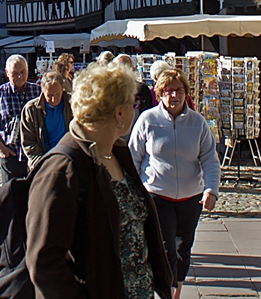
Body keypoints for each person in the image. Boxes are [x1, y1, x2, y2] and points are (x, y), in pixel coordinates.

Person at [26, 61, 173, 298]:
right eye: (132, 104)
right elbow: (44, 262)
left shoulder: (117, 152)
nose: (136, 110)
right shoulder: (63, 167)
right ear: (119, 113)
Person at [129, 69, 220, 299]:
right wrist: (136, 191)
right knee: (166, 248)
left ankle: (175, 290)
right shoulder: (148, 120)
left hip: (191, 198)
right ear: (160, 94)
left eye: (178, 90)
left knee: (183, 248)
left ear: (185, 93)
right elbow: (133, 157)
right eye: (168, 91)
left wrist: (211, 190)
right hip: (158, 196)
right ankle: (166, 294)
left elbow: (209, 159)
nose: (173, 96)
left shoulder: (197, 123)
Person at [0, 54, 41, 182]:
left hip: (35, 155)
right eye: (15, 73)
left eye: (22, 72)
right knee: (11, 198)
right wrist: (0, 147)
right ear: (7, 73)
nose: (19, 76)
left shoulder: (38, 92)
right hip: (10, 155)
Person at [19, 70, 72, 170]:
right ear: (42, 91)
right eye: (50, 95)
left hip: (69, 160)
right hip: (42, 163)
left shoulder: (73, 105)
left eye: (57, 95)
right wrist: (42, 164)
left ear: (62, 90)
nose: (54, 99)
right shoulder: (31, 110)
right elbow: (29, 142)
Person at [116, 54, 154, 118]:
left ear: (133, 69)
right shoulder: (110, 90)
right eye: (120, 67)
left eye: (127, 67)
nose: (123, 71)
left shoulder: (142, 89)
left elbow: (148, 112)